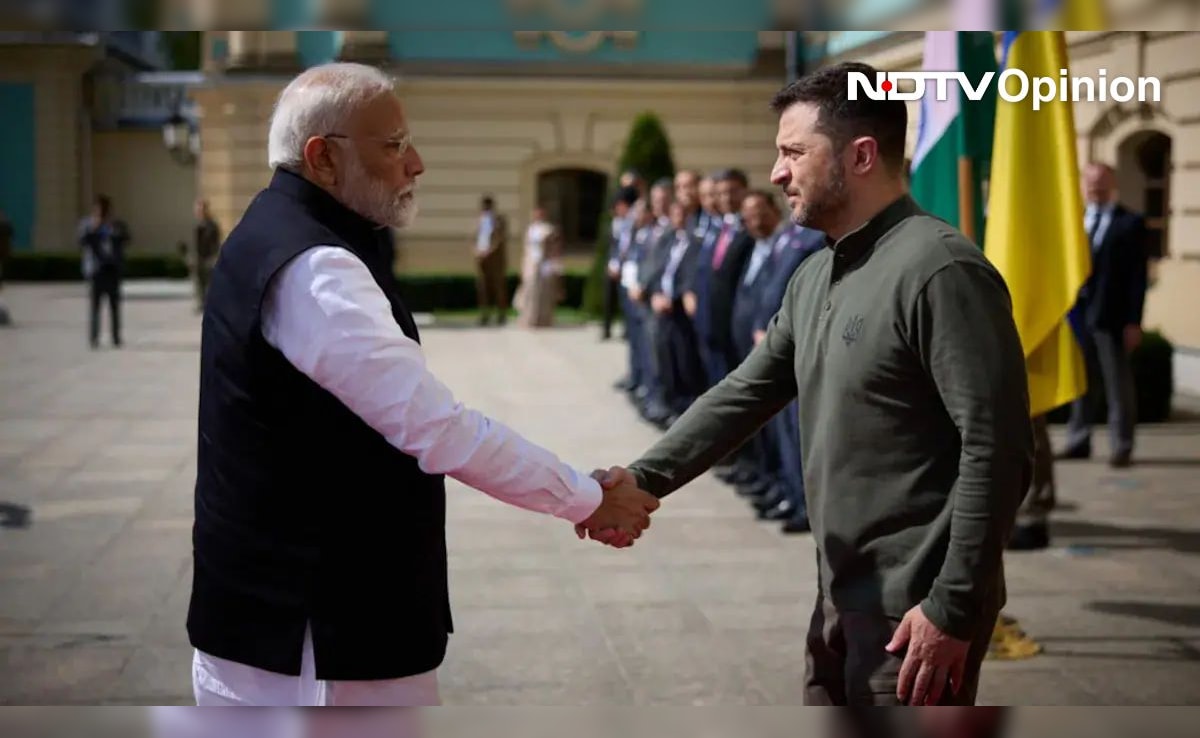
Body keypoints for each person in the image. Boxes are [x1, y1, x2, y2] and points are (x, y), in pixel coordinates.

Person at [188, 62, 658, 707]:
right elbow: (435, 427)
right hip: (316, 637)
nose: (416, 164)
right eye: (393, 146)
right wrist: (586, 498)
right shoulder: (316, 266)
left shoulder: (277, 227)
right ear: (322, 158)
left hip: (281, 620)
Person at [585, 61, 1033, 706]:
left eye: (794, 152)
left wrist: (954, 605)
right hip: (839, 590)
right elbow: (745, 392)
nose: (776, 173)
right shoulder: (816, 274)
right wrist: (642, 479)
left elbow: (998, 448)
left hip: (914, 611)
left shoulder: (941, 270)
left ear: (861, 156)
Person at [1060, 162, 1150, 469]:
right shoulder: (1074, 221)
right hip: (1077, 316)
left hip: (1112, 318)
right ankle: (1078, 440)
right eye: (1091, 183)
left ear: (1112, 184)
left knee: (1117, 385)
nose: (1095, 188)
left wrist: (1134, 321)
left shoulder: (1130, 224)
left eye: (1101, 183)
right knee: (1080, 383)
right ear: (1083, 186)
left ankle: (1121, 446)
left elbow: (1138, 278)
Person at [78, 194, 130, 349]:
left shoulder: (116, 225)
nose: (102, 213)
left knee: (115, 306)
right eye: (99, 210)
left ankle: (116, 337)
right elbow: (82, 241)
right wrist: (94, 228)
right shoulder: (87, 225)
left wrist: (114, 230)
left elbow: (127, 238)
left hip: (112, 270)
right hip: (96, 271)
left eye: (105, 210)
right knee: (95, 306)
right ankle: (94, 338)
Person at [514, 205, 563, 328]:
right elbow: (527, 249)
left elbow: (555, 248)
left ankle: (544, 319)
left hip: (544, 263)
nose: (537, 216)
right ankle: (529, 318)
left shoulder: (549, 229)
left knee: (544, 292)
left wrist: (554, 264)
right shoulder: (530, 230)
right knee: (530, 290)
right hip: (531, 263)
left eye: (540, 214)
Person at [473, 195, 508, 325]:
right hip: (481, 259)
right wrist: (476, 251)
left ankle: (501, 314)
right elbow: (474, 238)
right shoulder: (480, 220)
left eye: (488, 206)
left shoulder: (499, 220)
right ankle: (484, 314)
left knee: (498, 288)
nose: (485, 208)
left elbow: (500, 239)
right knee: (483, 288)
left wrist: (489, 251)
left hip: (495, 261)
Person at [192, 199, 222, 313]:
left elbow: (216, 242)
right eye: (197, 209)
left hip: (209, 257)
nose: (198, 212)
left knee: (209, 282)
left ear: (206, 210)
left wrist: (215, 256)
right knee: (199, 282)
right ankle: (201, 303)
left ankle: (209, 304)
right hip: (199, 257)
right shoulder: (198, 225)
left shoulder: (212, 225)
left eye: (200, 209)